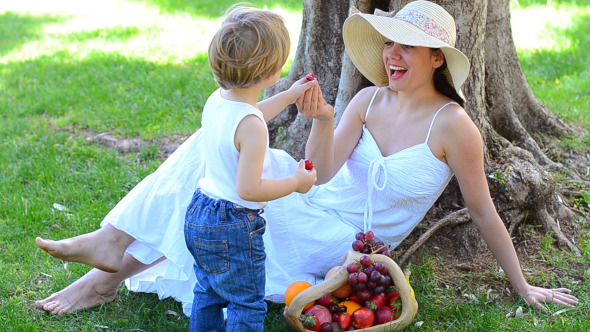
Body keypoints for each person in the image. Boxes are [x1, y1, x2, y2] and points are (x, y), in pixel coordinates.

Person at [35, 0, 578, 319]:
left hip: (342, 244)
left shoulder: (455, 127)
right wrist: (321, 119)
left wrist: (522, 285)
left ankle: (109, 270)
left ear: (436, 58)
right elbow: (322, 173)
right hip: (309, 197)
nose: (390, 55)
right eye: (388, 44)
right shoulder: (366, 100)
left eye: (404, 47)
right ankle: (113, 248)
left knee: (226, 200)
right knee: (211, 151)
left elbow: (483, 211)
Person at [185, 7, 318, 331]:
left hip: (200, 212)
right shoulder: (252, 127)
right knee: (246, 304)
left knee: (209, 291)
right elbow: (249, 189)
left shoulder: (218, 101)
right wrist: (296, 182)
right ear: (270, 72)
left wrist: (287, 97)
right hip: (233, 224)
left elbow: (251, 113)